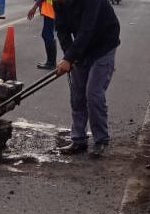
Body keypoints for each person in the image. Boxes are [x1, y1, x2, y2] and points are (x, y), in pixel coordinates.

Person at [54, 0, 121, 157]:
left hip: (103, 45)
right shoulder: (58, 3)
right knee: (77, 93)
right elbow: (62, 30)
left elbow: (87, 28)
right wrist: (68, 57)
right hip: (82, 48)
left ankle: (101, 140)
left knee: (93, 93)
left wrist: (69, 58)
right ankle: (79, 139)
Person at [28, 0, 57, 70]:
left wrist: (35, 7)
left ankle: (51, 63)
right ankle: (51, 62)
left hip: (50, 10)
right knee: (47, 35)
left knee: (47, 35)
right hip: (50, 10)